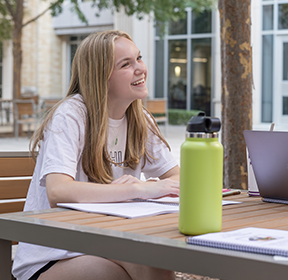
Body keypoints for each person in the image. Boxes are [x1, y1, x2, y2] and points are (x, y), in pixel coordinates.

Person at [12, 30, 180, 280]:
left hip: (106, 240)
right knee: (115, 271)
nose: (140, 69)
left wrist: (156, 185)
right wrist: (139, 189)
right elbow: (58, 192)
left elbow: (177, 179)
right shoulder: (72, 115)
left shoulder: (140, 118)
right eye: (126, 64)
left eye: (139, 58)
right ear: (101, 76)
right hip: (52, 255)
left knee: (153, 260)